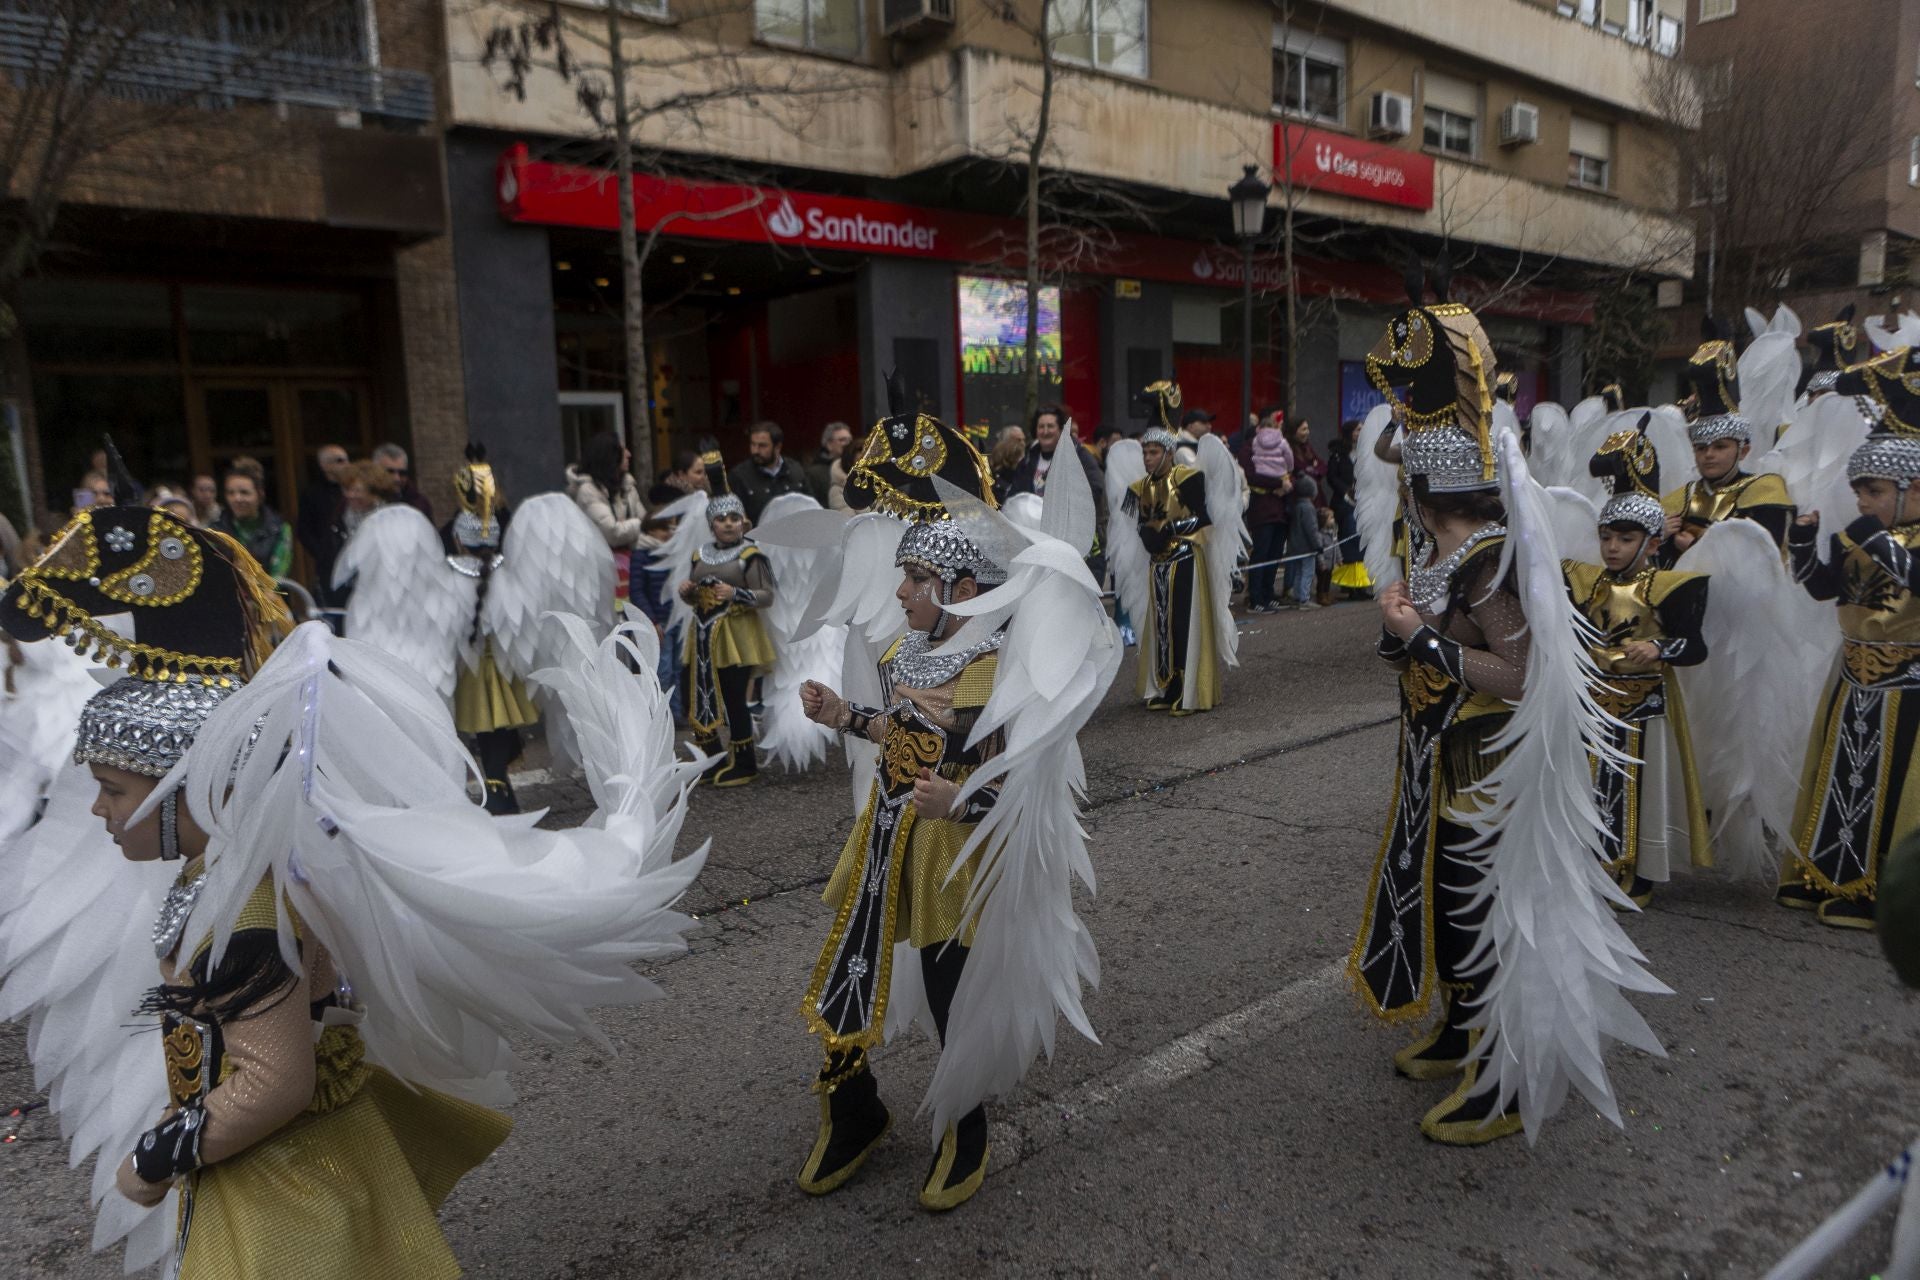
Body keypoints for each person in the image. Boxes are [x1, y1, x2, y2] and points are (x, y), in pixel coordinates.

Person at [0, 502, 708, 1279]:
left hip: (285, 1180)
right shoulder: (224, 877)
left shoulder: (245, 910)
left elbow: (275, 1082)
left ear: (179, 791)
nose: (94, 809)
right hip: (271, 1162)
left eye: (109, 789)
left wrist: (153, 1159)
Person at [1351, 289, 1663, 1147]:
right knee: (1448, 912)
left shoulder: (1490, 566)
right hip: (1440, 766)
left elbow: (1518, 676)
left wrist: (1420, 641)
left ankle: (1506, 1081)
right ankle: (1460, 1031)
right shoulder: (1445, 553)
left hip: (1489, 772)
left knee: (1484, 916)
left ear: (1425, 494)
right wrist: (1402, 636)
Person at [791, 399, 1115, 1212]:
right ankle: (854, 1110)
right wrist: (846, 716)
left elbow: (1021, 785)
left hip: (950, 859)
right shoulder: (911, 649)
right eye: (903, 576)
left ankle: (965, 1127)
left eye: (916, 579)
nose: (898, 593)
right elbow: (900, 731)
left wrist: (961, 803)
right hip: (886, 837)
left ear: (964, 586)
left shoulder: (1006, 666)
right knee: (843, 975)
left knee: (949, 996)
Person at [333, 445, 612, 815]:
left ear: (458, 539)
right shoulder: (515, 576)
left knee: (486, 729)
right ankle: (497, 783)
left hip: (471, 674)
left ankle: (495, 786)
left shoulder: (448, 580)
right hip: (503, 670)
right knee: (498, 731)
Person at [1780, 349, 1920, 929]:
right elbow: (1825, 592)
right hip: (1853, 673)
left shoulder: (1886, 538)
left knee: (1891, 788)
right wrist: (1801, 547)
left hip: (1907, 683)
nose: (1862, 502)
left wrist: (1867, 532)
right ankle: (1831, 875)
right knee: (1841, 779)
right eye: (1859, 490)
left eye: (1876, 491)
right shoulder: (1859, 535)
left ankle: (1881, 892)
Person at [1565, 417, 1712, 908]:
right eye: (1606, 536)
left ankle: (1636, 871)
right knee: (1588, 787)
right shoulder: (1586, 582)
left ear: (1651, 543)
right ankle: (1587, 866)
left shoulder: (1672, 586)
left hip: (1646, 707)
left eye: (1625, 539)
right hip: (1593, 705)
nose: (1611, 547)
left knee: (1638, 793)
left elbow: (1695, 646)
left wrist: (1661, 648)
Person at [1105, 388, 1246, 714]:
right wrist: (1147, 535)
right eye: (1145, 453)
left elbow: (1205, 519)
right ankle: (1165, 685)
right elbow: (1137, 520)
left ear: (1169, 453)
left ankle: (1188, 689)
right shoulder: (1139, 488)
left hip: (1186, 561)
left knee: (1184, 625)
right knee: (1161, 626)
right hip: (1158, 565)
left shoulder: (1188, 477)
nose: (1148, 458)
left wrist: (1171, 530)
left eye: (1154, 452)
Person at [658, 460, 778, 787]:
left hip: (737, 637)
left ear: (744, 522)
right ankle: (712, 756)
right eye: (721, 519)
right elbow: (698, 593)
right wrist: (688, 592)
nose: (727, 524)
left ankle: (745, 761)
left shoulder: (751, 555)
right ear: (711, 525)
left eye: (734, 519)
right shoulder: (701, 555)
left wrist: (735, 593)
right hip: (703, 635)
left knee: (734, 697)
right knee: (702, 695)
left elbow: (767, 595)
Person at [1660, 327, 1795, 562]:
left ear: (1743, 450)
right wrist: (1660, 538)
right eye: (1701, 448)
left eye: (1720, 447)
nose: (1709, 455)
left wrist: (1698, 546)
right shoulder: (1678, 500)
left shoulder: (1764, 491)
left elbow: (1764, 560)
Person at [1237, 412, 1293, 612]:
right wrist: (1279, 483)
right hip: (1262, 507)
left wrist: (1285, 484)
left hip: (1279, 508)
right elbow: (1249, 476)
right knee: (1261, 552)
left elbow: (1290, 470)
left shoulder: (1280, 445)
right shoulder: (1248, 447)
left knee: (1274, 553)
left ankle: (1268, 594)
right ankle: (1256, 597)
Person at [214, 459, 292, 578]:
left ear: (260, 494)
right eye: (230, 493)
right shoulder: (215, 530)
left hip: (268, 594)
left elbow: (279, 573)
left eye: (244, 493)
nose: (237, 499)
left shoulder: (278, 529)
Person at [728, 422, 811, 524]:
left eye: (762, 446)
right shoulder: (739, 476)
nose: (755, 451)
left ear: (777, 447)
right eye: (753, 444)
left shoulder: (795, 470)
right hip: (757, 536)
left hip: (794, 533)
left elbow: (810, 506)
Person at [1326, 418, 1372, 599]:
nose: (1360, 433)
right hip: (1345, 504)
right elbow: (1332, 477)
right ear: (1349, 432)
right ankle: (1351, 586)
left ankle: (1362, 584)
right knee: (1351, 541)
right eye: (1357, 430)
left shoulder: (1366, 452)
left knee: (1363, 541)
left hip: (1363, 502)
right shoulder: (1338, 454)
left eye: (1362, 429)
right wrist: (1346, 490)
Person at [295, 444, 350, 587]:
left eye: (346, 460)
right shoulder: (313, 494)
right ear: (325, 465)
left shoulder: (352, 490)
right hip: (329, 565)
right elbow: (304, 530)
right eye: (339, 460)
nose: (346, 464)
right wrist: (323, 554)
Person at [1281, 474, 1320, 608]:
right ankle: (1304, 598)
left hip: (1295, 546)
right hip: (1307, 547)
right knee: (1307, 572)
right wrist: (1318, 545)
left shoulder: (1296, 506)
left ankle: (1297, 596)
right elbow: (1311, 528)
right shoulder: (1308, 508)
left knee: (1298, 572)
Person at [372, 443, 433, 519]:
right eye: (389, 472)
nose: (396, 478)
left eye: (402, 473)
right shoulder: (361, 501)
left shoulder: (420, 504)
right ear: (375, 471)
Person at [807, 421, 853, 506]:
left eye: (850, 439)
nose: (848, 443)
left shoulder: (858, 469)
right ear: (829, 444)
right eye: (842, 440)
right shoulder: (815, 474)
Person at [1313, 505, 1340, 605]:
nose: (1333, 520)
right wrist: (1321, 563)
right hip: (1323, 563)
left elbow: (1336, 546)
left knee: (1328, 579)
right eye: (1331, 518)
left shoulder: (1333, 533)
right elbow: (1319, 551)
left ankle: (1327, 594)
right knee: (1322, 580)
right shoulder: (1320, 535)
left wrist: (1339, 558)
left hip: (1331, 562)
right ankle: (1321, 596)